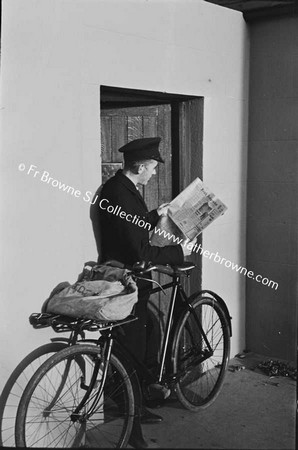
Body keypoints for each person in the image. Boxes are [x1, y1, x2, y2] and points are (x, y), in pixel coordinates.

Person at [90, 137, 194, 448]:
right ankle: (133, 428)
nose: (152, 175)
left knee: (147, 334)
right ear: (139, 166)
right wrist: (179, 251)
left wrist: (153, 214)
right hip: (127, 282)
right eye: (151, 169)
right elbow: (139, 250)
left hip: (132, 283)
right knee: (131, 352)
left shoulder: (120, 188)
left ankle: (137, 402)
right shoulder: (119, 193)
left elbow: (129, 228)